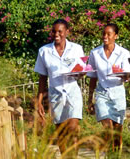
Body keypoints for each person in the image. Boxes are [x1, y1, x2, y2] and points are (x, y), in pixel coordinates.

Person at [34, 19, 85, 158]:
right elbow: (42, 78)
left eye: (60, 31)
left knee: (73, 128)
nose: (56, 34)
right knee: (61, 132)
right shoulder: (44, 51)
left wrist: (82, 73)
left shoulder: (76, 49)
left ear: (67, 32)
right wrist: (39, 101)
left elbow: (81, 70)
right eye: (54, 31)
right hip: (55, 94)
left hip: (72, 92)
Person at [87, 23, 130, 151]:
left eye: (109, 34)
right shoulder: (95, 53)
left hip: (117, 92)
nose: (105, 36)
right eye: (104, 33)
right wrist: (90, 99)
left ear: (116, 36)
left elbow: (128, 74)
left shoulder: (123, 53)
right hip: (102, 92)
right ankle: (109, 153)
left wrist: (126, 76)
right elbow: (92, 76)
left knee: (117, 129)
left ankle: (116, 153)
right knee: (107, 127)